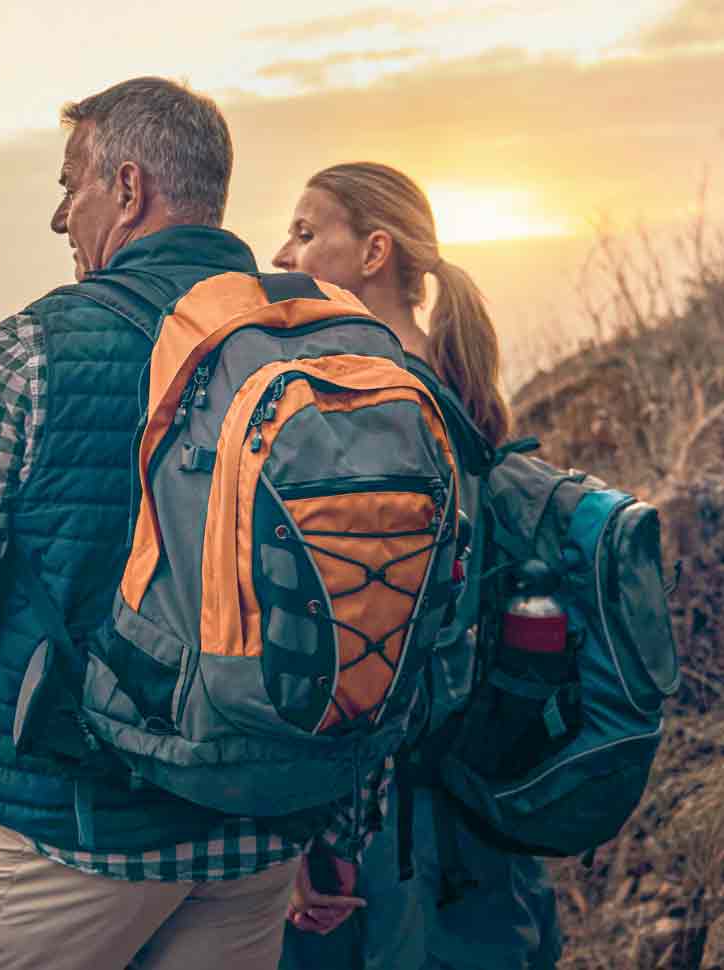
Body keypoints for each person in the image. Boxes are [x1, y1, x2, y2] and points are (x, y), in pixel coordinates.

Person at [0, 77, 364, 970]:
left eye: (68, 184)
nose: (58, 217)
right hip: (256, 836)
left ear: (127, 186)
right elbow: (370, 597)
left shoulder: (35, 346)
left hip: (70, 834)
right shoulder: (325, 342)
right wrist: (330, 815)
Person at [272, 162, 563, 970]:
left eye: (305, 231)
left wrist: (306, 835)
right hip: (471, 778)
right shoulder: (453, 378)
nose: (284, 253)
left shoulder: (364, 396)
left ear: (374, 251)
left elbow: (347, 631)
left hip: (387, 808)